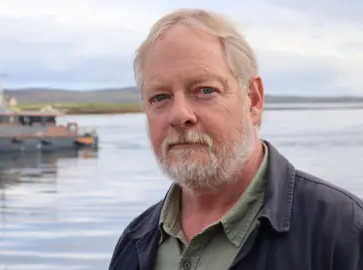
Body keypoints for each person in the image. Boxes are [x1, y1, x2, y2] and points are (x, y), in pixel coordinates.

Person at [108, 8, 363, 270]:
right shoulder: (134, 242)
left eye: (205, 90)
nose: (179, 115)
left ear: (253, 99)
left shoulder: (341, 230)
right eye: (160, 97)